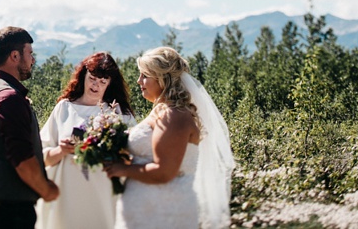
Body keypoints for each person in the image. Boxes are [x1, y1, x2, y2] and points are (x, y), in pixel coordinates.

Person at [104, 46, 234, 229]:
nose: (138, 81)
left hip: (164, 211)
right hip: (147, 208)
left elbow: (164, 172)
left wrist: (122, 169)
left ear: (163, 79)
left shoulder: (175, 116)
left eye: (145, 75)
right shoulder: (161, 111)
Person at [36, 52, 136, 229]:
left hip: (104, 194)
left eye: (103, 82)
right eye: (92, 78)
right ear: (83, 76)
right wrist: (61, 150)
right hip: (68, 194)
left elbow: (134, 154)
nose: (96, 85)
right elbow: (41, 156)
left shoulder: (119, 113)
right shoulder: (64, 108)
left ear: (110, 84)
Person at [0, 26, 59, 229]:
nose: (32, 60)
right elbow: (22, 160)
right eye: (30, 54)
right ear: (14, 56)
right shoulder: (8, 98)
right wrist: (47, 190)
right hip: (6, 212)